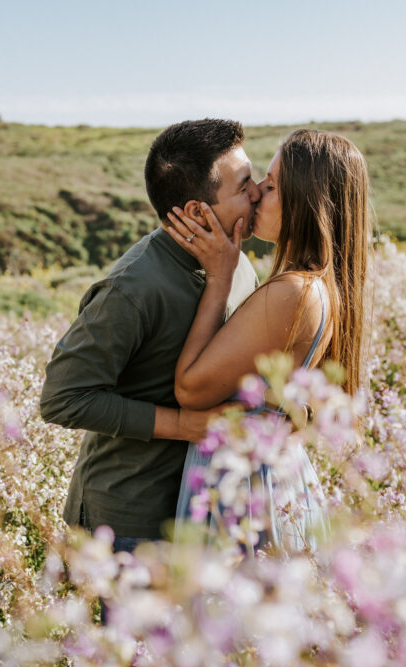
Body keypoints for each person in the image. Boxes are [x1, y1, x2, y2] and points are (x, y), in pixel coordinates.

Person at [39, 119, 261, 554]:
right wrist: (184, 425)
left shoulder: (238, 265)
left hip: (201, 511)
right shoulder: (134, 287)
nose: (258, 192)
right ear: (198, 212)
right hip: (128, 521)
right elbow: (62, 398)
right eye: (244, 185)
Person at [165, 128, 373, 553]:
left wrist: (220, 277)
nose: (257, 192)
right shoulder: (320, 287)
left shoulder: (292, 293)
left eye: (272, 185)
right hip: (275, 481)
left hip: (248, 493)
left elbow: (190, 388)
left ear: (306, 201)